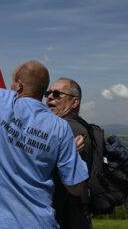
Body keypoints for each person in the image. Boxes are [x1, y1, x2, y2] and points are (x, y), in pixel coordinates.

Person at [0, 56, 88, 228]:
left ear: (19, 85)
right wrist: (70, 154)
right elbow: (75, 187)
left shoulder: (1, 102)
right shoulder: (61, 128)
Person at [46, 78, 92, 229]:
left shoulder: (68, 128)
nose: (50, 97)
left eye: (57, 94)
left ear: (74, 102)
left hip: (65, 217)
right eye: (49, 93)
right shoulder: (69, 126)